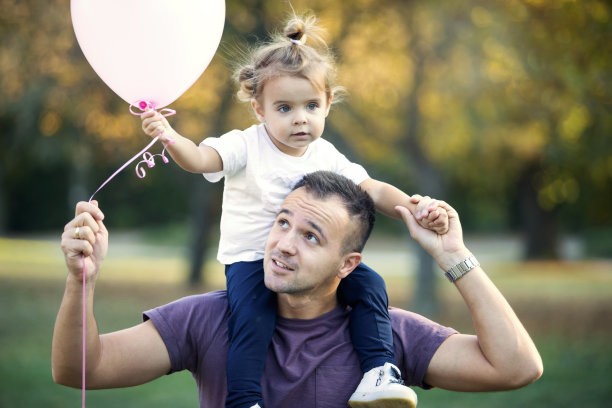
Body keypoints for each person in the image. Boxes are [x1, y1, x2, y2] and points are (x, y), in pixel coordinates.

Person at [140, 12, 449, 408]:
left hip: (311, 262)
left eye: (310, 106)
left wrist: (413, 207)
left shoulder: (326, 154)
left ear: (327, 104)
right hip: (253, 259)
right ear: (259, 109)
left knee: (370, 286)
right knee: (253, 320)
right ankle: (244, 400)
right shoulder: (245, 145)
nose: (299, 117)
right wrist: (169, 137)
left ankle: (377, 372)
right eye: (283, 108)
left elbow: (371, 189)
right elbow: (200, 159)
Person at [53, 171, 543, 408]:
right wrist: (82, 282)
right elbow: (80, 369)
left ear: (349, 264)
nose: (283, 245)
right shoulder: (210, 318)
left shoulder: (386, 336)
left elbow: (516, 367)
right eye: (283, 222)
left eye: (311, 236)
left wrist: (452, 255)